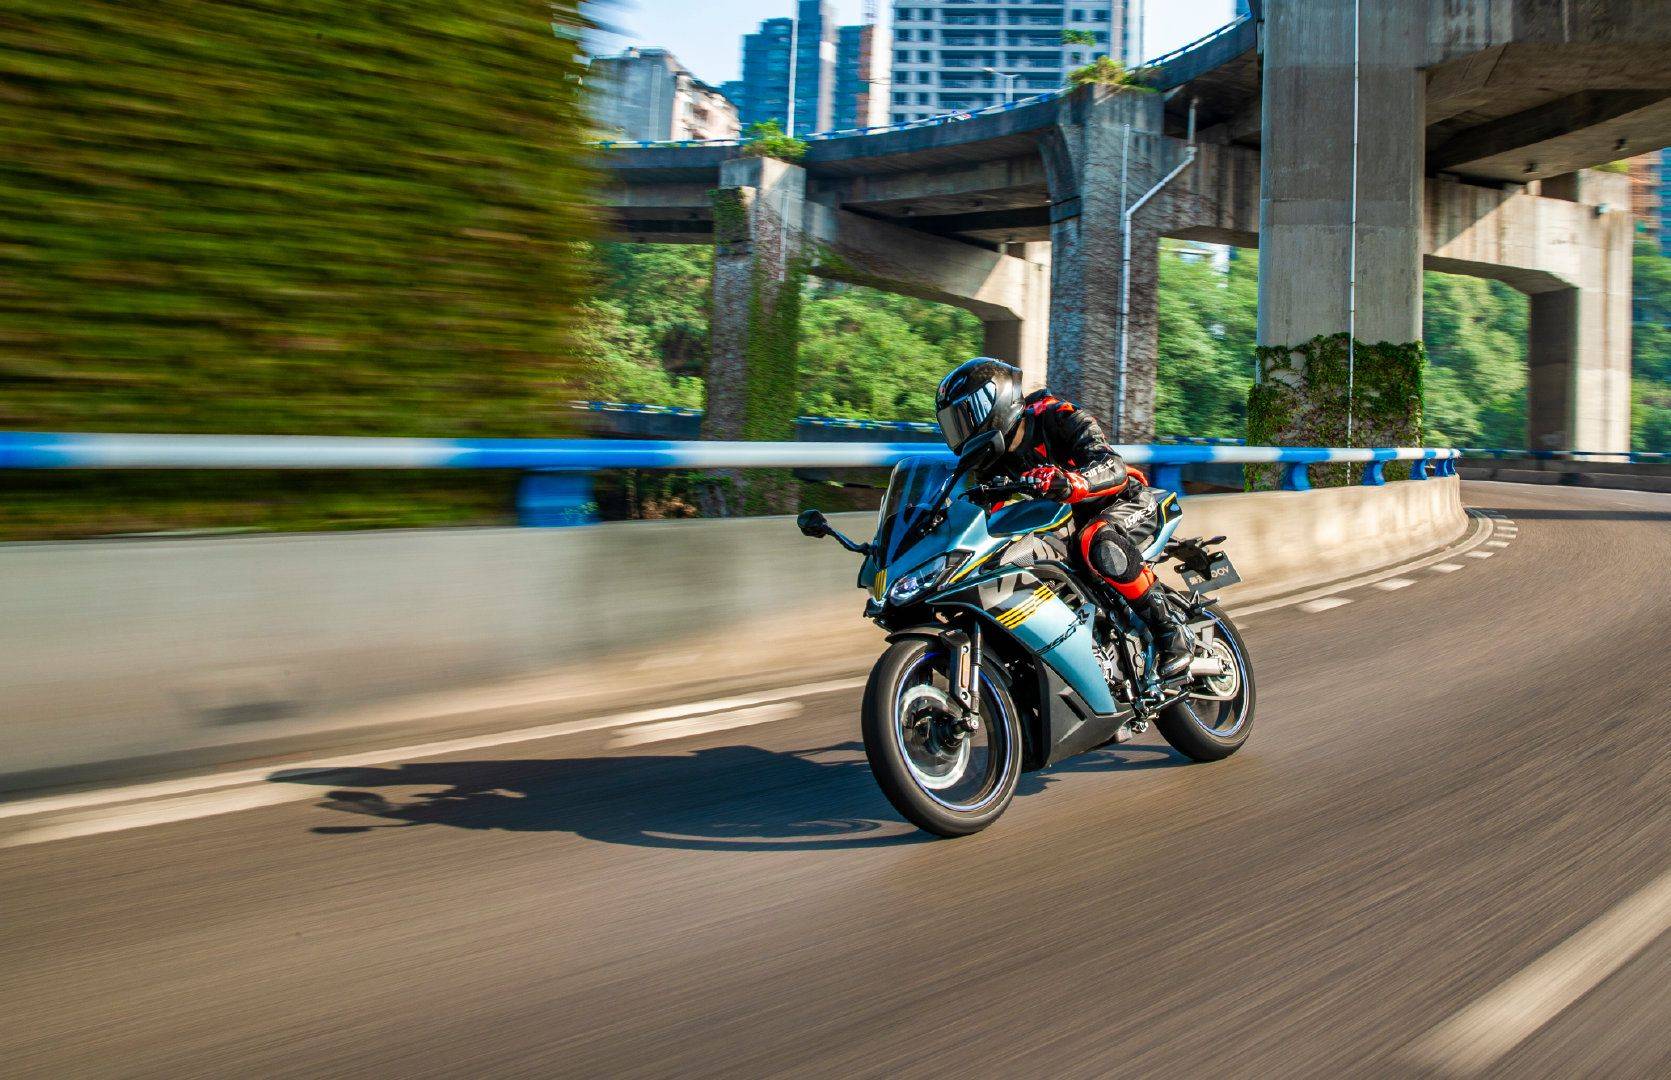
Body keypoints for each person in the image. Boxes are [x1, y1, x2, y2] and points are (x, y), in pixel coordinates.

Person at [933, 357, 1192, 677]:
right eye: (953, 425)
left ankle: (1171, 632)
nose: (960, 433)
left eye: (964, 418)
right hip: (1069, 521)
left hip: (1124, 502)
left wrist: (1071, 482)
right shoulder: (992, 461)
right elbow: (982, 514)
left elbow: (1113, 467)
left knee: (1097, 541)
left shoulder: (1058, 415)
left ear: (995, 400)